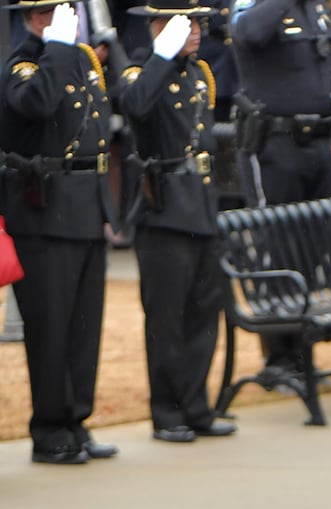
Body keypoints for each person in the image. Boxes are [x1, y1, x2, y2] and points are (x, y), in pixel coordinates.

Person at [2, 0, 119, 466]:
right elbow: (37, 103)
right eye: (52, 11)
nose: (65, 17)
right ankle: (50, 429)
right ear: (33, 18)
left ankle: (76, 420)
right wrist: (53, 49)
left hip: (85, 205)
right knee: (51, 327)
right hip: (45, 211)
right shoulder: (24, 64)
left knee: (84, 325)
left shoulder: (77, 57)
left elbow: (97, 132)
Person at [117, 0, 237, 445]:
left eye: (199, 23)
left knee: (205, 314)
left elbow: (208, 139)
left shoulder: (198, 74)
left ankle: (197, 406)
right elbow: (135, 105)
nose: (196, 31)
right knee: (167, 320)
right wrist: (162, 55)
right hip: (164, 210)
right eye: (184, 24)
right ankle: (167, 412)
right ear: (157, 27)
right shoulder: (140, 71)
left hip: (201, 207)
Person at [230, 0, 331, 381]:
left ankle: (304, 357)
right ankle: (279, 360)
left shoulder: (314, 8)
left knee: (313, 248)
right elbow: (247, 33)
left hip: (318, 142)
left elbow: (325, 66)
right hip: (275, 143)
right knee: (278, 250)